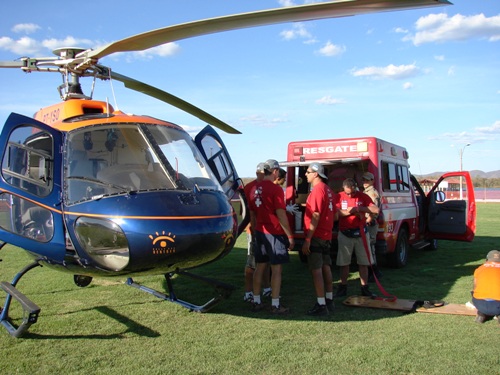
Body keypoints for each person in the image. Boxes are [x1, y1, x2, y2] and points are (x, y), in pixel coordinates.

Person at [248, 159, 295, 314]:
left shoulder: (254, 188)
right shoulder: (275, 190)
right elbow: (281, 215)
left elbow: (253, 213)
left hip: (260, 231)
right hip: (274, 233)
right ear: (275, 171)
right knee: (276, 270)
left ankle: (256, 301)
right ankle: (275, 304)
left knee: (260, 266)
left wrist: (255, 231)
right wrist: (290, 236)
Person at [334, 178, 379, 298]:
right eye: (347, 193)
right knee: (344, 263)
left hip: (361, 234)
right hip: (345, 234)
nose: (350, 195)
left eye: (352, 193)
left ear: (355, 188)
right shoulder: (338, 196)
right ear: (343, 188)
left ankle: (364, 288)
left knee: (363, 263)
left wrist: (360, 209)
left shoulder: (363, 196)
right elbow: (335, 214)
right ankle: (343, 287)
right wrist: (351, 212)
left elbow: (375, 209)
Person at [301, 163, 336, 316]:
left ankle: (321, 304)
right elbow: (334, 214)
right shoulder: (328, 190)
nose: (305, 175)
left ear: (316, 174)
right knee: (326, 267)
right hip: (326, 234)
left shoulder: (317, 191)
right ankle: (329, 299)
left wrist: (308, 238)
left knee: (316, 270)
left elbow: (315, 215)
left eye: (308, 172)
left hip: (316, 236)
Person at [243, 162, 271, 302]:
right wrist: (251, 228)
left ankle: (266, 288)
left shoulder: (269, 187)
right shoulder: (249, 187)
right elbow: (246, 211)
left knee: (264, 262)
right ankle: (248, 292)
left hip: (266, 230)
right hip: (253, 231)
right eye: (260, 172)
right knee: (252, 262)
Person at [362, 172, 383, 282]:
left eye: (367, 180)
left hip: (369, 224)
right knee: (367, 248)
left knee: (370, 248)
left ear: (372, 181)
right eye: (364, 180)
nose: (365, 182)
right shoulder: (366, 192)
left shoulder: (372, 193)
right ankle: (372, 271)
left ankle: (374, 272)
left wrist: (368, 220)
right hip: (366, 223)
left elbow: (374, 210)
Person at [472, 250, 500, 324]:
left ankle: (481, 314)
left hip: (480, 303)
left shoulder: (479, 269)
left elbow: (475, 288)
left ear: (486, 260)